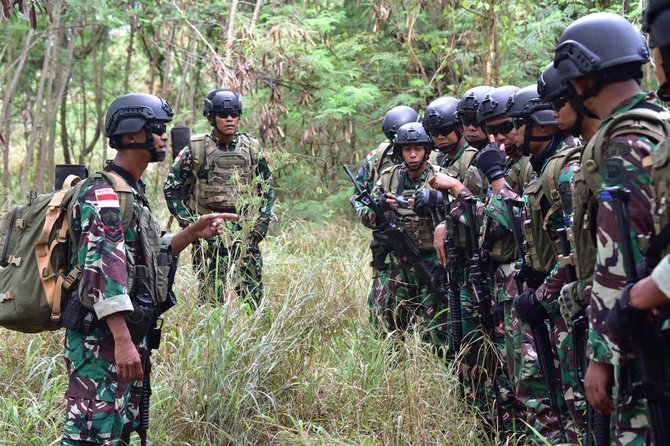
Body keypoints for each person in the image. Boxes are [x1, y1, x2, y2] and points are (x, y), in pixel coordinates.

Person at [62, 93, 237, 444]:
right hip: (102, 341)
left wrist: (190, 233)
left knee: (122, 430)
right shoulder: (104, 195)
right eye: (156, 128)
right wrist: (124, 341)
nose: (163, 137)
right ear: (130, 135)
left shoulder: (131, 192)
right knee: (93, 433)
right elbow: (101, 275)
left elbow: (146, 253)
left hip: (126, 336)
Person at [553, 11, 669, 444]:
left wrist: (601, 357)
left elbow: (619, 258)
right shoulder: (659, 127)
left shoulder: (623, 146)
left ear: (582, 82)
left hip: (641, 342)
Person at [163, 88, 274, 307]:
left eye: (234, 114)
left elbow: (267, 187)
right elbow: (171, 188)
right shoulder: (195, 149)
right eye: (224, 115)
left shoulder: (251, 148)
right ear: (212, 118)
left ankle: (252, 335)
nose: (230, 119)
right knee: (211, 298)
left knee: (252, 297)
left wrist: (261, 223)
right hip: (209, 233)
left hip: (244, 232)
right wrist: (190, 225)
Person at [370, 122, 448, 348]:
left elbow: (461, 212)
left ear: (426, 150)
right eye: (407, 149)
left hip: (431, 261)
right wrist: (381, 207)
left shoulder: (440, 177)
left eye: (418, 149)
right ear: (400, 151)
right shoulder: (388, 178)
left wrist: (436, 204)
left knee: (436, 326)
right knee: (383, 318)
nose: (413, 155)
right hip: (397, 263)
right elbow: (365, 213)